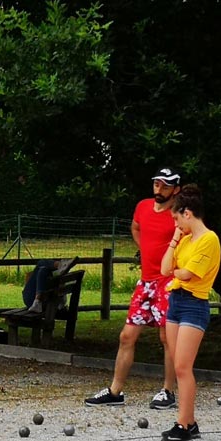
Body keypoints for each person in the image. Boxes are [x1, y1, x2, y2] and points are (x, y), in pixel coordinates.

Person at [86, 168, 181, 409]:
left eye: (165, 186)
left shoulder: (179, 214)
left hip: (168, 282)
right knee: (127, 336)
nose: (159, 189)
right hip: (146, 281)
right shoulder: (143, 206)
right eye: (157, 184)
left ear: (175, 189)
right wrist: (145, 248)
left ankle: (168, 390)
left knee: (167, 337)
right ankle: (115, 391)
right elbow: (135, 227)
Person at [159, 184, 221, 441]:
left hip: (194, 304)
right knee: (177, 365)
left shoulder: (209, 239)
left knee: (183, 367)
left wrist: (176, 272)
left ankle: (183, 425)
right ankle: (190, 421)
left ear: (187, 213)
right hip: (176, 301)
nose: (176, 224)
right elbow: (164, 268)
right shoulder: (184, 239)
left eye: (176, 218)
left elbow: (188, 274)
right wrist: (174, 239)